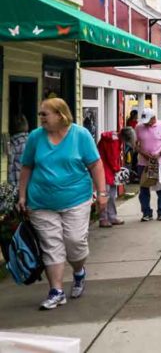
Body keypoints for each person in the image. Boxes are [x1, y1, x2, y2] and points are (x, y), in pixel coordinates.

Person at [16, 98, 105, 310]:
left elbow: (95, 164)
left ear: (60, 115)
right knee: (51, 245)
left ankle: (78, 271)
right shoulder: (36, 138)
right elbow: (27, 167)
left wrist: (102, 193)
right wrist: (22, 196)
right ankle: (56, 291)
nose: (41, 118)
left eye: (44, 114)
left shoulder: (80, 135)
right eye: (40, 114)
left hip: (75, 198)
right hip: (41, 202)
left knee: (74, 242)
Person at [135, 107, 161, 221]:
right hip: (143, 162)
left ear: (154, 118)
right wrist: (143, 153)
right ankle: (146, 212)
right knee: (144, 188)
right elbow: (135, 144)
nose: (146, 124)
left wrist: (160, 153)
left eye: (149, 121)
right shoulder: (139, 127)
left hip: (159, 162)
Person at [97, 130, 124, 228]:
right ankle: (104, 218)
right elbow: (112, 158)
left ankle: (110, 216)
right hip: (106, 170)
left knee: (110, 194)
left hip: (105, 169)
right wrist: (117, 169)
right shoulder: (114, 141)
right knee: (106, 195)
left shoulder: (113, 138)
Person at [6, 114, 29, 186]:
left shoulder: (13, 142)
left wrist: (9, 182)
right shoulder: (32, 140)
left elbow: (10, 164)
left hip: (17, 181)